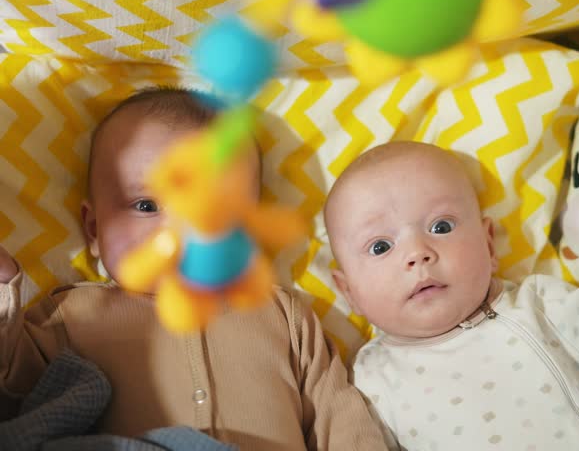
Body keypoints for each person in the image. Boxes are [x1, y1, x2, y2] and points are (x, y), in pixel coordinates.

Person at [0, 88, 388, 451]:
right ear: (94, 229)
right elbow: (16, 392)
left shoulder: (283, 315)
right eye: (147, 206)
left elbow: (339, 416)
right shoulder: (72, 315)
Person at [323, 141, 579, 450]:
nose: (418, 253)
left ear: (489, 244)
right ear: (349, 292)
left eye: (441, 226)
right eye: (380, 247)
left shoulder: (537, 306)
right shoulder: (370, 380)